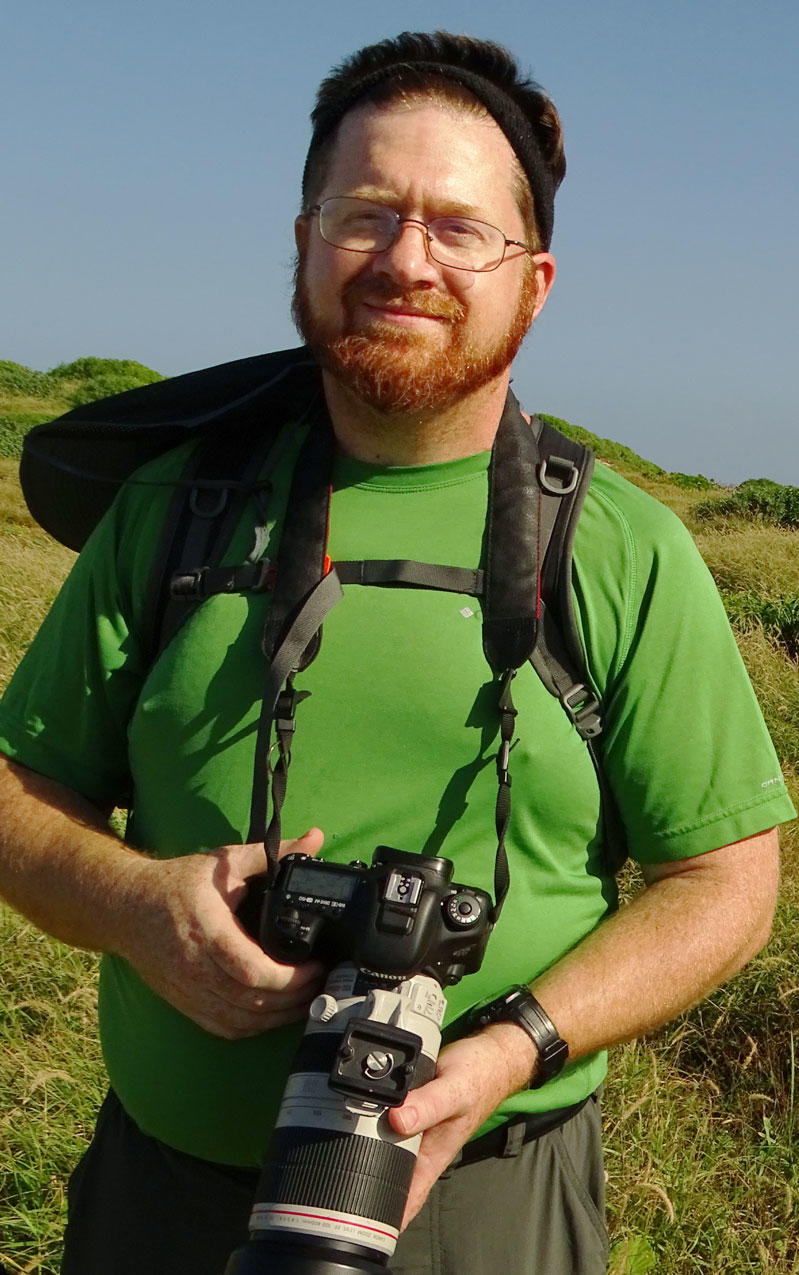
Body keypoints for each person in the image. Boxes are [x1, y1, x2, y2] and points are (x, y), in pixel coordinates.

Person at [0, 29, 793, 1275]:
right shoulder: (172, 511)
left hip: (483, 1205)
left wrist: (511, 1044)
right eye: (364, 214)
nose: (404, 260)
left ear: (534, 281)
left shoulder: (623, 550)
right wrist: (137, 906)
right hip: (162, 1199)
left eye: (458, 226)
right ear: (305, 243)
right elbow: (15, 792)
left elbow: (726, 883)